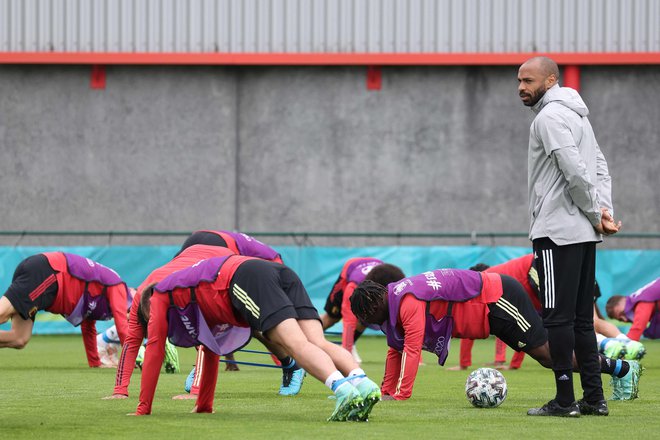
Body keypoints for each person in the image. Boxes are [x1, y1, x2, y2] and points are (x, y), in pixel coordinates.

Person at [133, 254, 381, 421]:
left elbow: (154, 349)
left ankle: (343, 391)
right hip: (272, 270)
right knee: (317, 341)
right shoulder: (186, 294)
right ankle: (363, 383)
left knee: (294, 344)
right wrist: (204, 405)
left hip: (243, 277)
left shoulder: (159, 296)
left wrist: (143, 409)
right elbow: (211, 349)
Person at [350, 269, 640, 407]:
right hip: (491, 313)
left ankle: (621, 369)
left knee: (549, 356)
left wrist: (401, 395)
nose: (366, 323)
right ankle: (619, 368)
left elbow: (412, 349)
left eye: (365, 316)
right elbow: (394, 350)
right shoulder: (392, 303)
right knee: (549, 356)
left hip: (497, 298)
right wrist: (386, 391)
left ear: (373, 306)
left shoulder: (407, 300)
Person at [517, 56, 623, 417]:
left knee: (557, 319)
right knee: (580, 319)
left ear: (550, 80)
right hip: (583, 232)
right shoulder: (578, 115)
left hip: (556, 231)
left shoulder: (549, 118)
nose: (521, 87)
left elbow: (576, 171)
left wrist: (596, 213)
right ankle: (594, 398)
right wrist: (603, 212)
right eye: (519, 80)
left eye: (528, 80)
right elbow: (599, 167)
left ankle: (565, 401)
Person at [177, 230, 305, 396]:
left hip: (268, 269)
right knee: (209, 314)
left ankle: (291, 365)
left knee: (256, 322)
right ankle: (290, 363)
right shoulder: (185, 261)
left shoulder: (216, 255)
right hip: (239, 268)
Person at [104, 244, 237, 399]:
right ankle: (202, 375)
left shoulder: (186, 294)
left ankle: (199, 382)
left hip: (224, 262)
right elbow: (131, 343)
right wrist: (119, 390)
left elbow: (205, 341)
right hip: (191, 254)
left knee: (245, 326)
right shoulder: (140, 298)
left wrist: (196, 392)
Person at [0, 252, 130, 367]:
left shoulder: (104, 302)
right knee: (2, 315)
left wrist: (95, 362)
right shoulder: (118, 288)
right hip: (48, 271)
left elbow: (88, 325)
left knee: (19, 338)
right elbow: (122, 326)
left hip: (47, 283)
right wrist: (136, 357)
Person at [449, 255, 540, 371]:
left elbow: (468, 326)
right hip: (526, 290)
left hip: (529, 272)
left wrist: (463, 364)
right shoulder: (499, 274)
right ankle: (503, 361)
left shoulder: (483, 282)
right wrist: (514, 365)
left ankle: (500, 361)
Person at [320, 258, 405, 361]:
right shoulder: (353, 287)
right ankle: (307, 337)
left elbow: (405, 319)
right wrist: (346, 355)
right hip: (349, 274)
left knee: (367, 316)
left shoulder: (397, 285)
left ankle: (352, 344)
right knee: (331, 319)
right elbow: (349, 321)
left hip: (374, 274)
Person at [605, 277, 659, 344]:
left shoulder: (642, 301)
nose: (625, 319)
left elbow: (636, 330)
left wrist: (623, 346)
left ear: (624, 301)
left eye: (622, 313)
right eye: (620, 320)